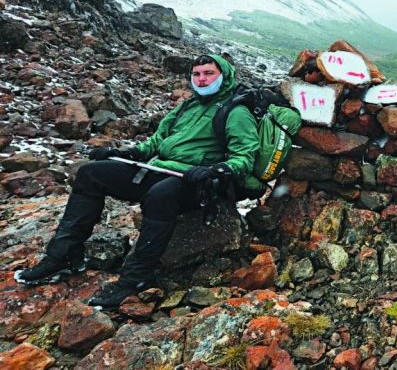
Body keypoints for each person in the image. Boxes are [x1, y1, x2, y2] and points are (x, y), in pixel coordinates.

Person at [14, 54, 260, 309]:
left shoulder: (236, 111)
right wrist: (126, 154)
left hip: (199, 182)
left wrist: (215, 170)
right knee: (91, 174)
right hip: (160, 170)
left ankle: (135, 278)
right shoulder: (187, 106)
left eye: (209, 73)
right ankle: (63, 256)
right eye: (196, 74)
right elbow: (156, 142)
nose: (201, 79)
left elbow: (244, 158)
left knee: (160, 195)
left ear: (224, 75)